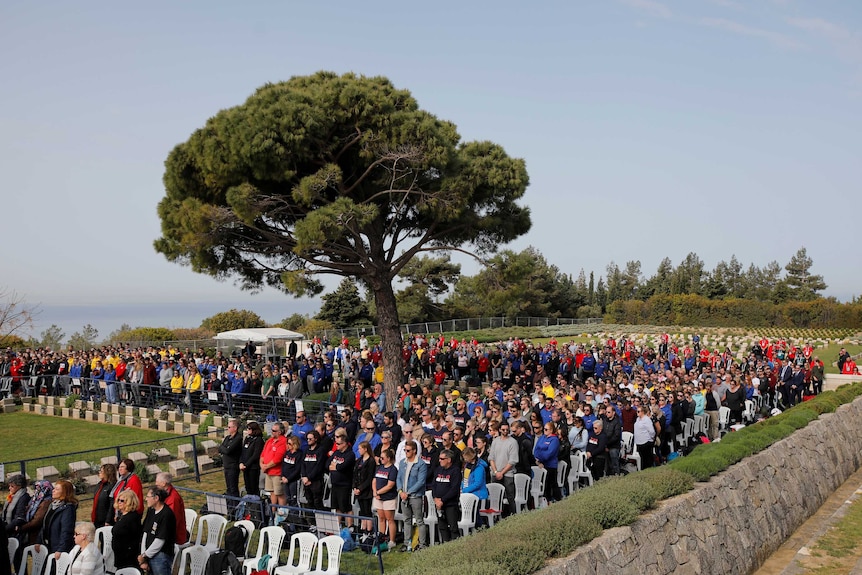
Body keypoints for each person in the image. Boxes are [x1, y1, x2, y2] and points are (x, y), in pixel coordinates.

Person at [396, 439, 427, 552]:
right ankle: (406, 543)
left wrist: (408, 493)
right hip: (404, 496)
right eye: (405, 450)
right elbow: (399, 478)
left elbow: (421, 482)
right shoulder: (402, 462)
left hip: (415, 497)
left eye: (408, 450)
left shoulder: (421, 464)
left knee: (419, 520)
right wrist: (400, 492)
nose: (406, 452)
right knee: (406, 520)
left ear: (414, 451)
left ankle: (422, 544)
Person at [138, 488, 176, 575]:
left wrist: (144, 555)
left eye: (148, 497)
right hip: (148, 554)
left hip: (161, 556)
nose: (146, 499)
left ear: (156, 498)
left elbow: (160, 540)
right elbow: (145, 533)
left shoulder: (166, 514)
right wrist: (143, 555)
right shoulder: (151, 511)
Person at [37, 479, 77, 559]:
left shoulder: (68, 509)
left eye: (57, 489)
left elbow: (66, 530)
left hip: (58, 547)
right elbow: (45, 524)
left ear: (64, 492)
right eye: (54, 488)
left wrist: (61, 549)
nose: (53, 491)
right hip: (49, 545)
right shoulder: (52, 506)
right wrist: (39, 541)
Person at [15, 480, 52, 566]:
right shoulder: (36, 499)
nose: (36, 490)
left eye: (38, 488)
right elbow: (28, 509)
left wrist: (21, 528)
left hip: (37, 535)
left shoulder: (46, 502)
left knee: (40, 562)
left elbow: (37, 521)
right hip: (29, 533)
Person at [488, 422, 518, 516]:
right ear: (500, 430)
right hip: (495, 473)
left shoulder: (513, 442)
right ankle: (496, 517)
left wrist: (502, 472)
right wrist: (496, 471)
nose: (505, 431)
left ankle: (513, 516)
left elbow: (513, 461)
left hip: (508, 474)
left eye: (507, 429)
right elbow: (491, 458)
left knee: (510, 496)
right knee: (495, 497)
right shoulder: (495, 441)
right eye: (503, 429)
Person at [431, 449, 462, 543]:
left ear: (449, 460)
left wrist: (442, 500)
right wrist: (436, 499)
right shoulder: (438, 469)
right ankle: (445, 544)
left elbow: (454, 489)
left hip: (450, 504)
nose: (439, 460)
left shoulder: (455, 471)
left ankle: (455, 547)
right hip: (438, 504)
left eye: (442, 459)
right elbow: (434, 485)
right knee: (442, 526)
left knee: (453, 527)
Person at [327, 430, 356, 526]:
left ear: (345, 443)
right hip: (335, 484)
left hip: (344, 485)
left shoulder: (350, 454)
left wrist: (335, 466)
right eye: (336, 443)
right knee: (337, 507)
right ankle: (337, 527)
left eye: (339, 444)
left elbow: (343, 467)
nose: (337, 445)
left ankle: (350, 527)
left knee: (346, 508)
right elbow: (327, 464)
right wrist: (336, 467)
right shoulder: (336, 453)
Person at [372, 448, 398, 552]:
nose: (380, 459)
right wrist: (375, 492)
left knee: (390, 519)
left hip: (388, 498)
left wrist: (378, 492)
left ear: (388, 458)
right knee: (381, 518)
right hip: (378, 497)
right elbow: (374, 480)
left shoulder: (393, 469)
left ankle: (392, 540)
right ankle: (381, 538)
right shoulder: (379, 468)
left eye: (382, 458)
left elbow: (390, 485)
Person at [111, 490, 142, 570]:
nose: (119, 502)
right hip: (120, 555)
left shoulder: (132, 517)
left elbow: (136, 537)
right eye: (118, 500)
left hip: (128, 557)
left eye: (122, 500)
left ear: (130, 502)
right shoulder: (122, 516)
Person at [260, 422, 288, 508]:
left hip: (277, 472)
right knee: (272, 493)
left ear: (280, 432)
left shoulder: (283, 441)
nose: (272, 432)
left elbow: (277, 459)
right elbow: (263, 455)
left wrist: (266, 466)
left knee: (279, 494)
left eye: (274, 430)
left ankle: (282, 513)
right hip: (268, 472)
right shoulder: (269, 441)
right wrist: (262, 465)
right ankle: (273, 511)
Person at [154, 473, 186, 546]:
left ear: (164, 483)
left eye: (157, 482)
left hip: (174, 536)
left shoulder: (173, 498)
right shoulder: (165, 494)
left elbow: (172, 520)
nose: (156, 484)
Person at [533, 422, 561, 503]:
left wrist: (540, 456)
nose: (544, 431)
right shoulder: (542, 438)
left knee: (551, 484)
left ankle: (557, 499)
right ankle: (546, 501)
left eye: (546, 429)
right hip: (541, 465)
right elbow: (535, 450)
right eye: (544, 429)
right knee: (544, 485)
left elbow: (549, 454)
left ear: (551, 430)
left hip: (551, 466)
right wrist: (539, 456)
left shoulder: (554, 440)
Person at [352, 441, 375, 536]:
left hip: (367, 490)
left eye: (360, 448)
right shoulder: (359, 460)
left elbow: (370, 477)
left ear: (365, 449)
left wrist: (361, 488)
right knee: (362, 511)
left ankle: (369, 531)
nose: (359, 450)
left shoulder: (371, 461)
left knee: (367, 511)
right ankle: (363, 530)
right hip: (358, 490)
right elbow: (354, 475)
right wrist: (354, 487)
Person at [461, 447, 488, 525]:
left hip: (478, 495)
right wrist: (462, 487)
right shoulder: (467, 465)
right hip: (467, 493)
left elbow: (478, 483)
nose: (464, 459)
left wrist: (465, 490)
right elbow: (465, 479)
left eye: (465, 458)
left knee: (475, 516)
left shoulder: (479, 467)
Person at [300, 430, 327, 510]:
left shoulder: (321, 450)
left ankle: (319, 521)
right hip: (306, 480)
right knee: (309, 502)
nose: (308, 440)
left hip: (316, 481)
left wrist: (309, 478)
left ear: (315, 439)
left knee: (317, 502)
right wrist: (304, 476)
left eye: (310, 439)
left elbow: (319, 466)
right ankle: (311, 521)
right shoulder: (306, 450)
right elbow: (303, 464)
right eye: (307, 439)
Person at [219, 419, 243, 498]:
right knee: (228, 487)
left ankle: (235, 505)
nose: (228, 428)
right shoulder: (227, 438)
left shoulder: (238, 438)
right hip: (226, 465)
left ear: (235, 428)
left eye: (229, 427)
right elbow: (221, 448)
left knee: (233, 487)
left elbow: (228, 450)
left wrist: (225, 448)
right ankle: (230, 504)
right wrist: (224, 448)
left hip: (233, 466)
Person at [240, 421, 264, 496]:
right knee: (248, 487)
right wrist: (241, 462)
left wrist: (246, 464)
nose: (247, 430)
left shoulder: (258, 440)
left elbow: (256, 455)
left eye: (249, 429)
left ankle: (255, 503)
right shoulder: (247, 438)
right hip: (245, 467)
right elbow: (243, 451)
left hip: (253, 467)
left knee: (253, 487)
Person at [633, 405, 656, 469]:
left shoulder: (646, 420)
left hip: (646, 442)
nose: (637, 412)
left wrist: (651, 438)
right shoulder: (638, 419)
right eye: (637, 411)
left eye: (638, 411)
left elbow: (652, 431)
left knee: (646, 460)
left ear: (643, 412)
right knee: (642, 459)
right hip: (639, 442)